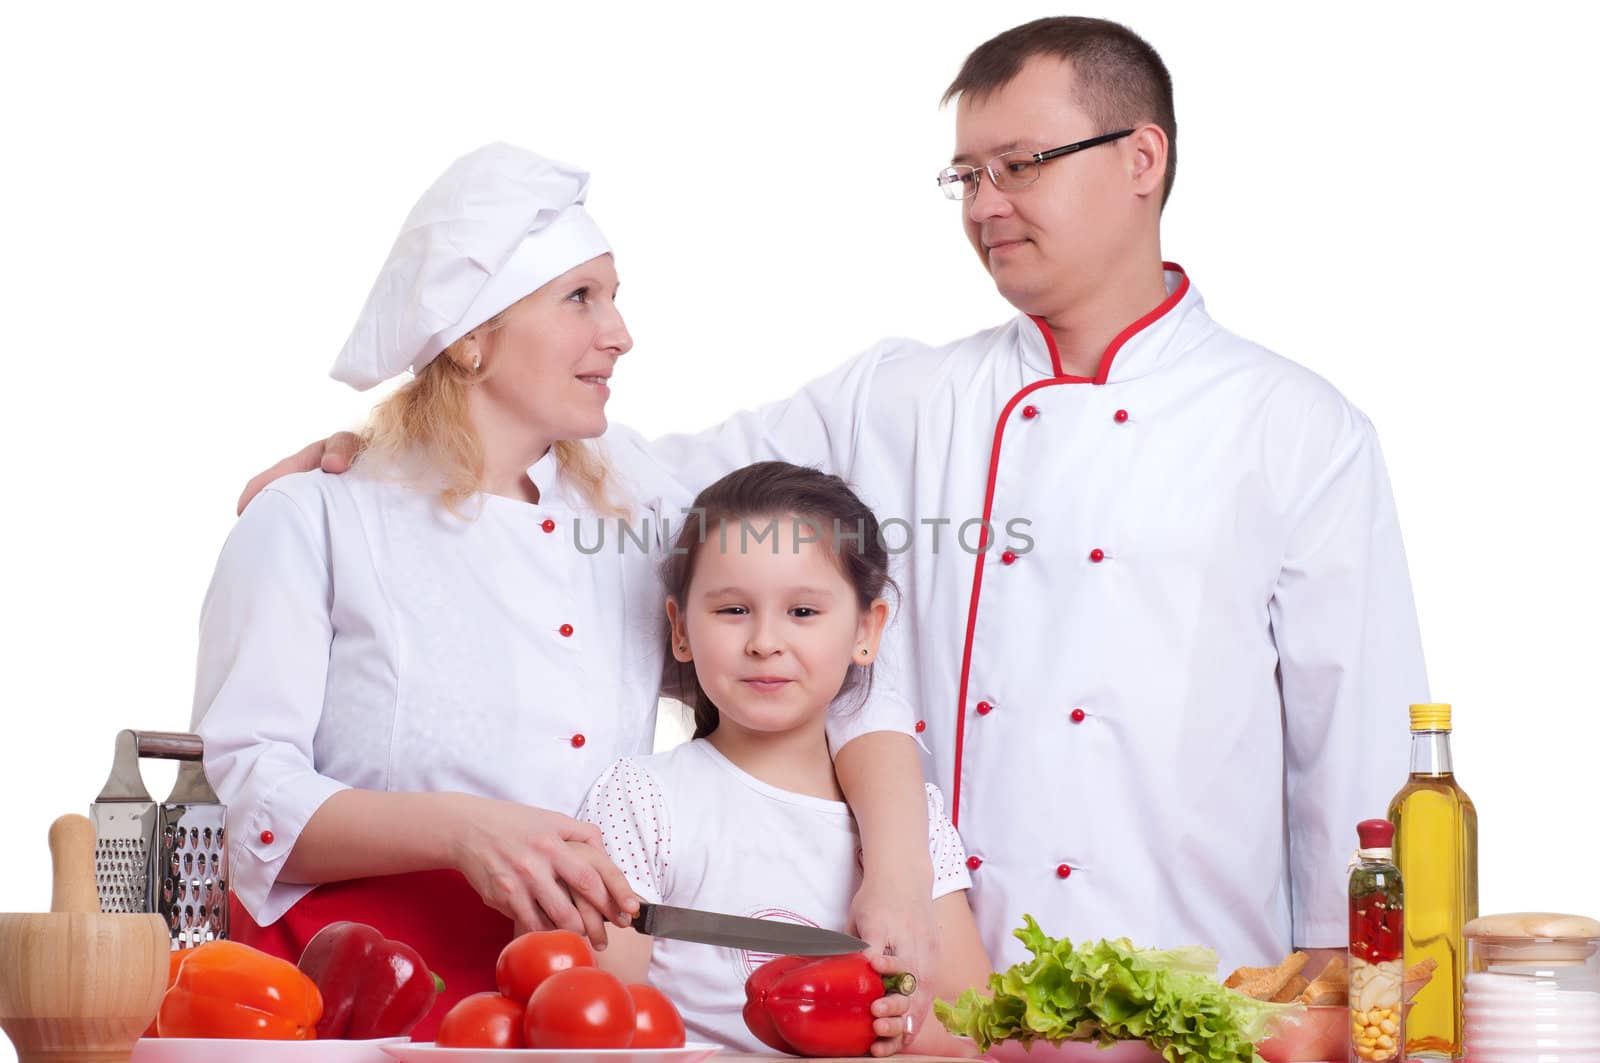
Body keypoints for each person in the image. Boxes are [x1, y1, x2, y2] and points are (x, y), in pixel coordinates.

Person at [246, 15, 1425, 989]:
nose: (986, 202)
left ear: (1141, 159)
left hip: (1200, 978)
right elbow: (641, 481)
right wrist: (391, 454)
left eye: (1022, 164)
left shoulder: (1297, 429)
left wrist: (1349, 981)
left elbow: (1356, 743)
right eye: (967, 173)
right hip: (924, 972)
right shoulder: (902, 393)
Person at [195, 143, 931, 1041]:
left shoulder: (636, 514)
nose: (619, 332)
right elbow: (245, 794)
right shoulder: (314, 519)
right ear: (471, 334)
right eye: (580, 296)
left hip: (571, 986)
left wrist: (897, 872)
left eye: (612, 295)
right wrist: (464, 830)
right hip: (357, 974)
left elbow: (834, 666)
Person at [581, 462, 990, 1055]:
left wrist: (897, 1024)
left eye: (803, 612)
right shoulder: (639, 797)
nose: (764, 641)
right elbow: (601, 1022)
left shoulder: (912, 823)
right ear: (681, 630)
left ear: (866, 629)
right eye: (732, 610)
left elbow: (971, 1036)